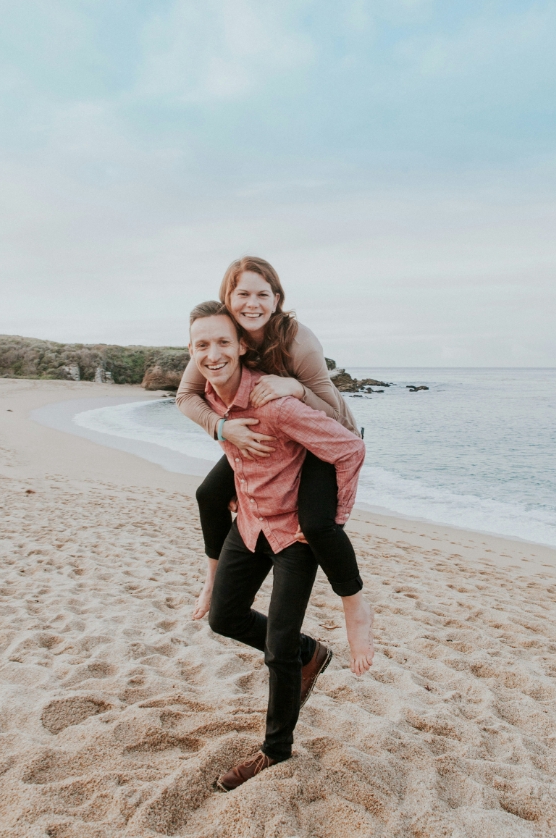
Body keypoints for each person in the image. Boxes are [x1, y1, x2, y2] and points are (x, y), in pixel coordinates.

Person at [187, 300, 369, 791]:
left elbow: (349, 447)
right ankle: (310, 654)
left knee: (277, 647)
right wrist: (223, 431)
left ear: (243, 347)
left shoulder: (274, 401)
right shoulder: (209, 395)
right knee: (225, 617)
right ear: (191, 350)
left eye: (223, 342)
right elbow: (191, 405)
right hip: (249, 523)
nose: (213, 353)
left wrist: (332, 520)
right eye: (202, 345)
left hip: (294, 533)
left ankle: (275, 752)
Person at [178, 256, 374, 674]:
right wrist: (222, 429)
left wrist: (296, 388)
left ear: (277, 299)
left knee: (318, 524)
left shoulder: (298, 340)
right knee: (209, 494)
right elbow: (187, 398)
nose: (252, 304)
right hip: (269, 432)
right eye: (242, 294)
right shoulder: (219, 336)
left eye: (262, 294)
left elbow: (334, 415)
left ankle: (355, 606)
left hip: (324, 437)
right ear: (227, 299)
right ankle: (212, 580)